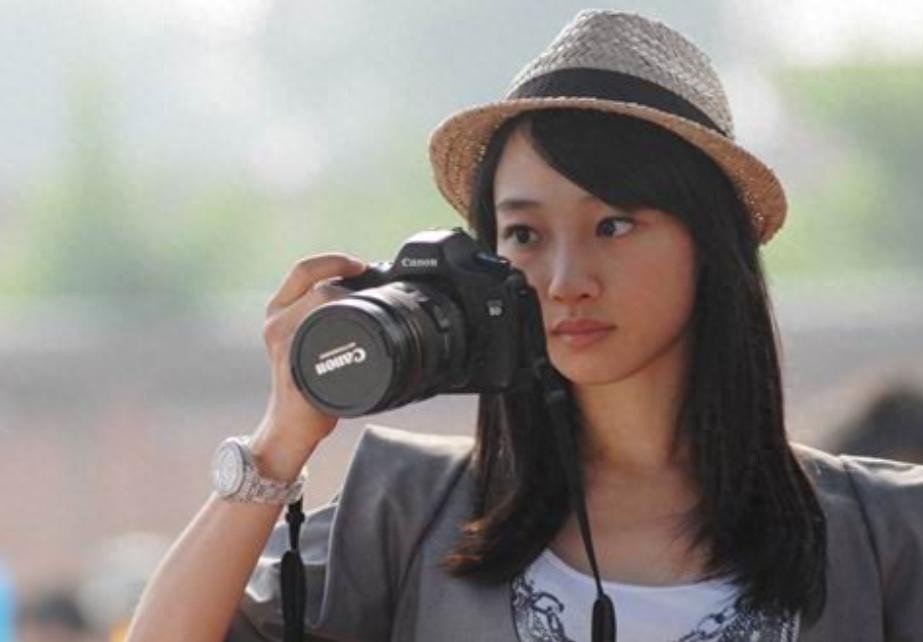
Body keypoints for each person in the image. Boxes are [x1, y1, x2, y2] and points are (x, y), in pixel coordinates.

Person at [126, 10, 923, 642]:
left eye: (613, 225)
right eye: (524, 234)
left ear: (709, 245)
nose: (566, 280)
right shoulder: (406, 511)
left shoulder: (885, 533)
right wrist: (280, 441)